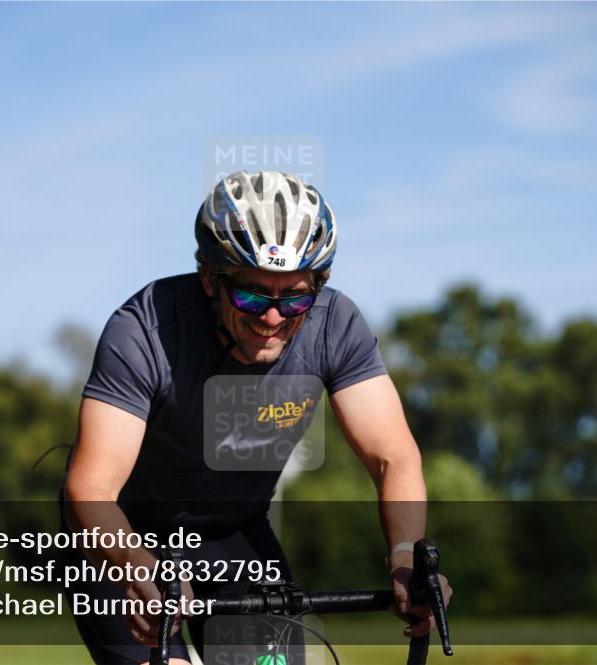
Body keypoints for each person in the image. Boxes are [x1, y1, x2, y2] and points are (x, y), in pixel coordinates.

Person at [62, 170, 452, 665]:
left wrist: (403, 555)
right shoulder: (144, 331)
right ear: (211, 280)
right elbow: (91, 488)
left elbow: (392, 455)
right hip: (121, 536)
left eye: (295, 298)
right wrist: (131, 563)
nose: (273, 318)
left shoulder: (336, 325)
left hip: (233, 532)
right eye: (251, 296)